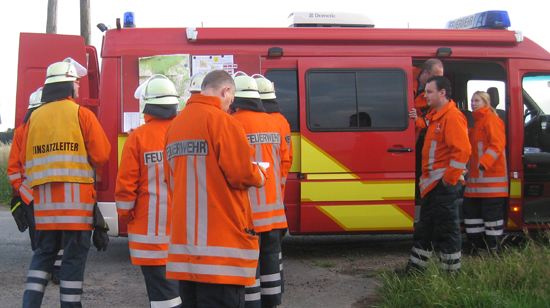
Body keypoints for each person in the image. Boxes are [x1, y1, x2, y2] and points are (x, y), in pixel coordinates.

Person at [163, 69, 267, 308]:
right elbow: (241, 173)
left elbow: (171, 179)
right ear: (226, 91)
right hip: (221, 252)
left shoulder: (174, 126)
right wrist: (260, 175)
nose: (230, 105)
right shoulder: (223, 121)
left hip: (185, 251)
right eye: (231, 99)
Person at [20, 57, 111, 307]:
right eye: (77, 83)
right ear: (69, 86)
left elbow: (22, 160)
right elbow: (102, 154)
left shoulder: (33, 119)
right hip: (77, 208)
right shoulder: (82, 114)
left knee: (42, 257)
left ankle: (30, 303)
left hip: (45, 209)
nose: (79, 88)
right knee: (72, 260)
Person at [115, 74, 182, 308]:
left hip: (151, 236)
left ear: (148, 104)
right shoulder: (187, 132)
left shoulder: (137, 138)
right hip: (187, 233)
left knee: (163, 296)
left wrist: (127, 216)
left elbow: (125, 187)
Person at [399, 76, 470, 274]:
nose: (426, 95)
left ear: (443, 93)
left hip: (443, 184)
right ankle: (416, 269)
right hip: (433, 185)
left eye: (430, 92)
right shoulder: (436, 117)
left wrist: (448, 180)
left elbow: (462, 152)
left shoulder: (452, 117)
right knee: (425, 229)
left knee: (447, 230)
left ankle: (451, 274)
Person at [232, 72, 289, 308]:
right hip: (274, 210)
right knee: (270, 263)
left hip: (249, 211)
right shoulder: (275, 122)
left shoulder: (234, 123)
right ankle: (273, 302)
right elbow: (284, 162)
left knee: (250, 264)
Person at [463, 91, 508, 254]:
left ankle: (494, 248)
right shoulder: (478, 123)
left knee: (492, 218)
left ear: (486, 103)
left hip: (492, 184)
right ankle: (475, 246)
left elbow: (497, 145)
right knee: (472, 216)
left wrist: (484, 163)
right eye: (472, 100)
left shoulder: (492, 120)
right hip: (476, 185)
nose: (473, 103)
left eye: (477, 100)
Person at [8, 87, 43, 250]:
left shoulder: (21, 132)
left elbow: (13, 169)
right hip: (41, 194)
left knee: (39, 240)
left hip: (30, 195)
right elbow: (14, 168)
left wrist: (21, 188)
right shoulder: (22, 132)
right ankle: (54, 271)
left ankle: (44, 270)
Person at [410, 59, 444, 202]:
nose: (438, 81)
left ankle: (419, 197)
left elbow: (431, 119)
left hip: (416, 136)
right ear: (425, 72)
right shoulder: (406, 73)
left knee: (418, 167)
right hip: (406, 134)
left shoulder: (434, 92)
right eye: (435, 76)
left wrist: (417, 119)